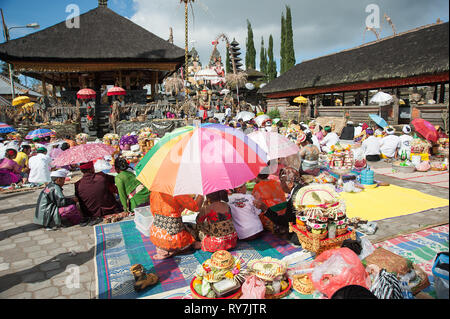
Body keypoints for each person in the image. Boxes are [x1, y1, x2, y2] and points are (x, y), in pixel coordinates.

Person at [150, 191, 204, 259]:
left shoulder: (154, 191)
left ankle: (162, 248)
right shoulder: (177, 191)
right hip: (173, 239)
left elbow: (153, 212)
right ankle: (173, 251)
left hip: (155, 235)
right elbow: (196, 207)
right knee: (192, 234)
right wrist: (201, 194)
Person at [75, 161, 123, 226]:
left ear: (81, 170)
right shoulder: (102, 176)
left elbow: (79, 200)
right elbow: (117, 179)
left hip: (91, 214)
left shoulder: (77, 184)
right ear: (92, 168)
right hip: (110, 210)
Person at [263, 167, 303, 243]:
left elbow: (285, 221)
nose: (280, 185)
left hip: (303, 234)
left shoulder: (294, 199)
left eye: (282, 182)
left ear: (290, 184)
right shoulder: (302, 188)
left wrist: (266, 210)